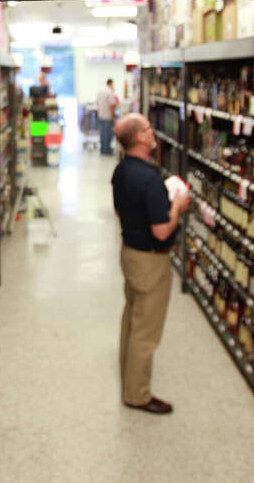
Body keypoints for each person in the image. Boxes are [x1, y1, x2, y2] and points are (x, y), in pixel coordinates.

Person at [111, 113, 190, 414]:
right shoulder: (149, 178)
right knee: (146, 330)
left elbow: (120, 212)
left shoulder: (121, 171)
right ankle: (138, 395)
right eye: (147, 127)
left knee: (132, 317)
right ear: (141, 138)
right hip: (150, 262)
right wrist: (177, 206)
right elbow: (161, 230)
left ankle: (128, 378)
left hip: (129, 254)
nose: (152, 131)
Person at [95, 78, 119, 155]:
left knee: (102, 134)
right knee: (107, 134)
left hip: (101, 115)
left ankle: (103, 149)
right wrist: (113, 117)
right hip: (107, 116)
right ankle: (107, 150)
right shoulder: (110, 92)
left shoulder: (100, 91)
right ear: (111, 83)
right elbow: (112, 105)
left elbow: (97, 102)